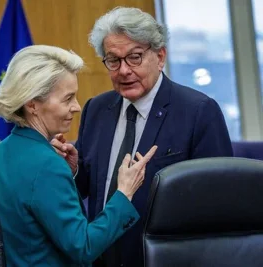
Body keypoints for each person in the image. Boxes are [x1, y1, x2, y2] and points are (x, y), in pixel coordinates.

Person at [51, 7, 233, 267]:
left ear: (160, 57)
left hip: (168, 259)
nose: (124, 70)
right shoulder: (96, 109)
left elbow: (219, 199)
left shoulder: (198, 111)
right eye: (113, 60)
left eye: (134, 57)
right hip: (102, 257)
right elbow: (89, 188)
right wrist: (75, 169)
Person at [0, 45, 158, 266]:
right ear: (32, 104)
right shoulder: (47, 165)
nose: (76, 107)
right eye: (67, 99)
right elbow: (83, 247)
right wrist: (124, 192)